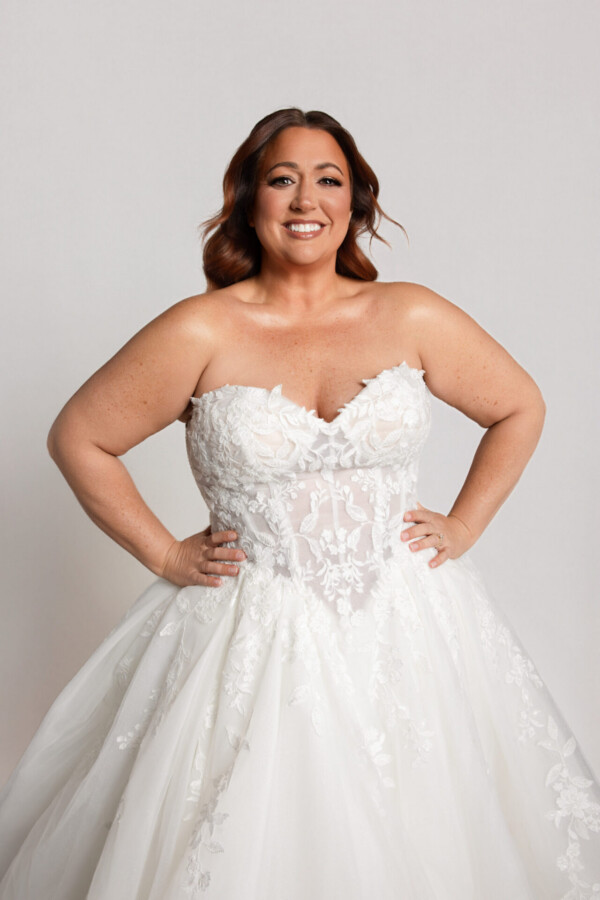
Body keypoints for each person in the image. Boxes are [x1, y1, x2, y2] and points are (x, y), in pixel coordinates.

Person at [0, 107, 598, 900]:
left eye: (329, 180)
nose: (306, 200)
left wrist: (463, 524)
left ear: (356, 203)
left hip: (408, 628)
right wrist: (165, 552)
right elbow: (79, 436)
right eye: (283, 179)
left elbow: (520, 405)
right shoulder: (201, 330)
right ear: (250, 200)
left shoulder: (410, 313)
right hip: (249, 632)